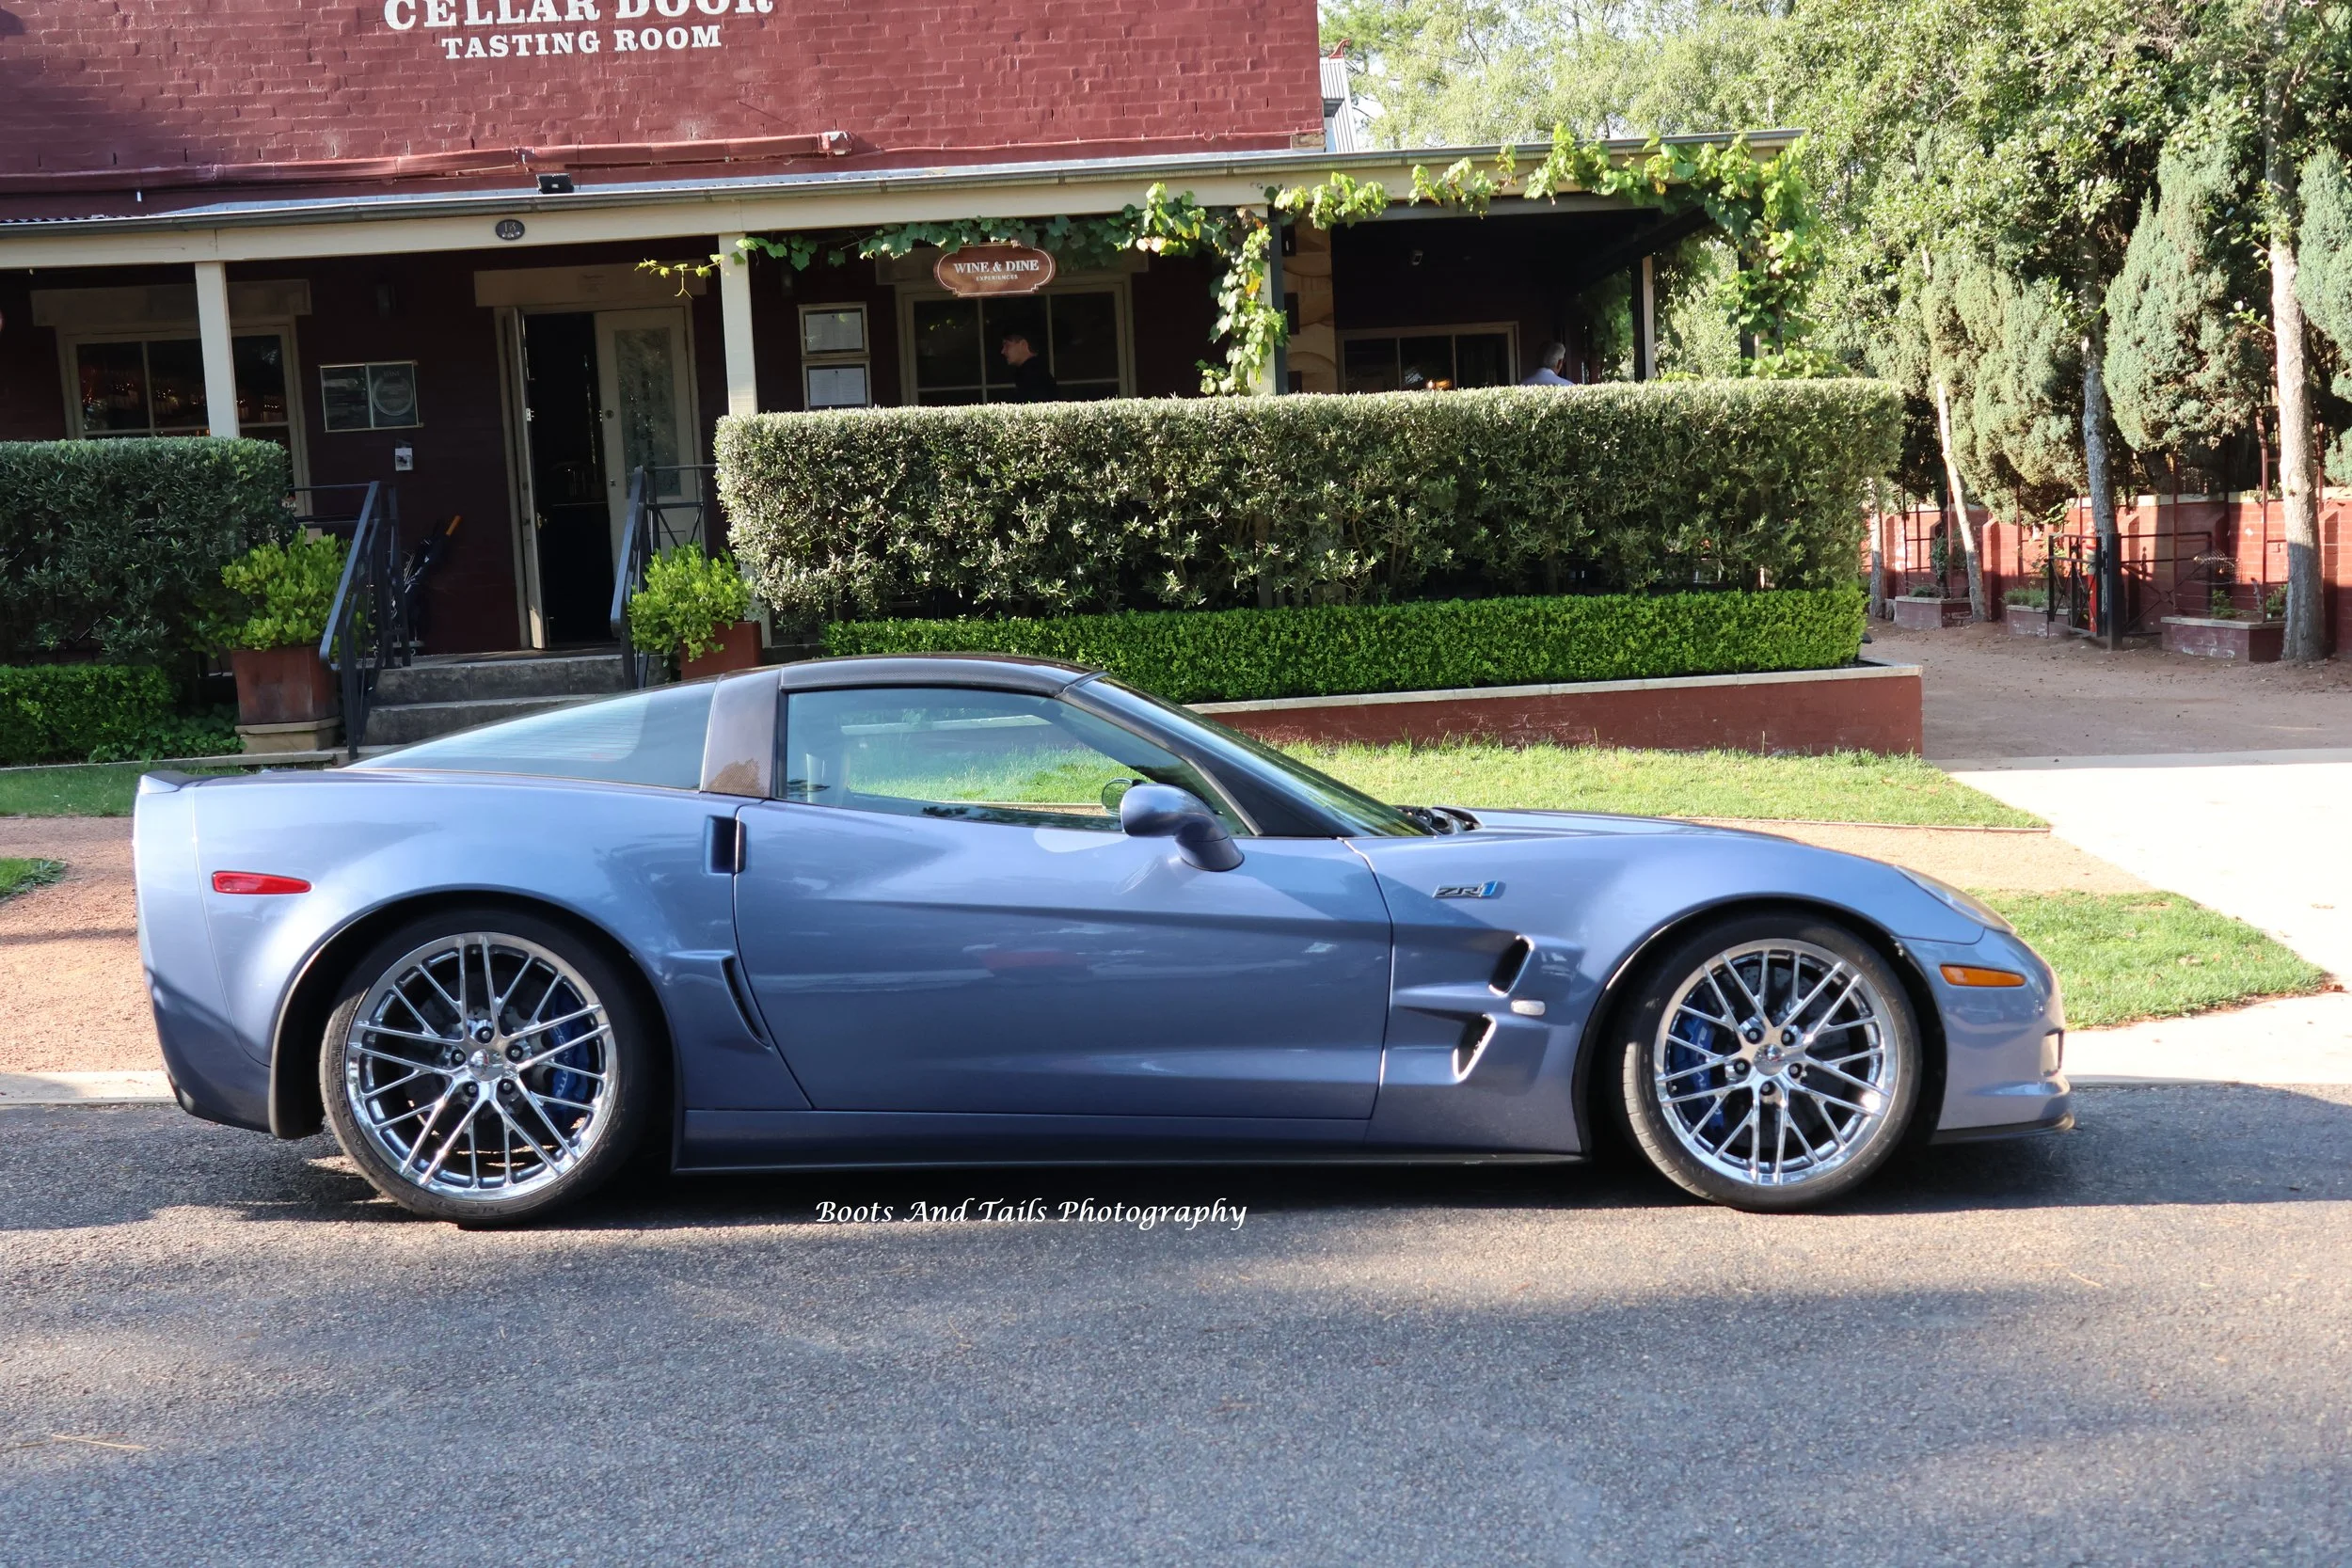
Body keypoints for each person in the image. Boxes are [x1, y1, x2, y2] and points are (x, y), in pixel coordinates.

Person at [1000, 331, 1059, 402]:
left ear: (1023, 344)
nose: (1003, 351)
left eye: (1007, 345)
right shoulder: (1035, 371)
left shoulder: (1032, 374)